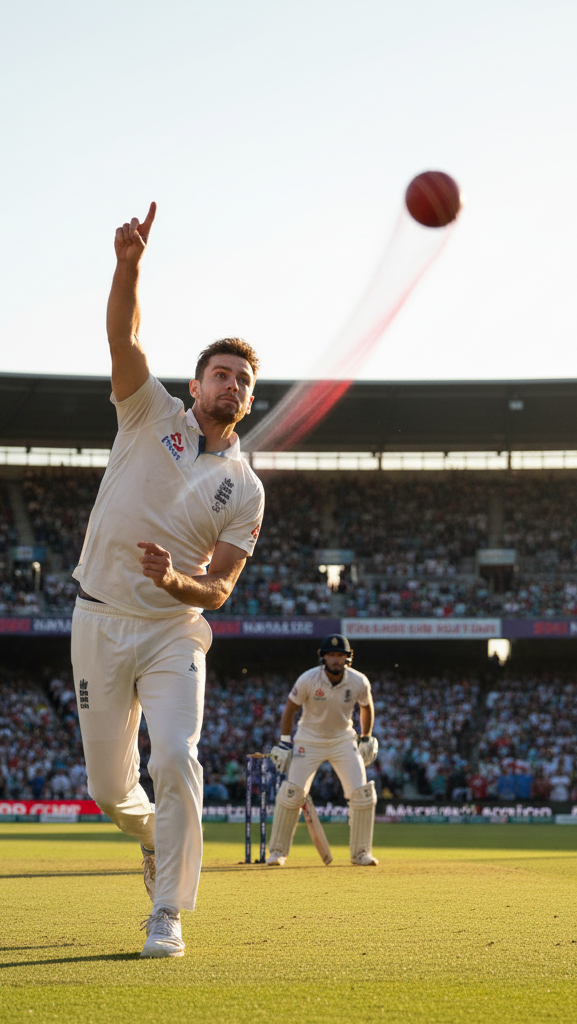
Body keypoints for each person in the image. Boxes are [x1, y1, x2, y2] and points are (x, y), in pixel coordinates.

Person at [70, 202, 265, 958]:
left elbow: (219, 590)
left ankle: (168, 914)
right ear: (196, 382)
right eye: (222, 373)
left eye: (244, 381)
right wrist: (129, 265)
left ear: (249, 400)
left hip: (172, 631)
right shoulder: (147, 410)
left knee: (177, 756)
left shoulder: (245, 489)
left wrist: (179, 582)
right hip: (98, 617)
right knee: (107, 791)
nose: (232, 385)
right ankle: (153, 837)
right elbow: (124, 336)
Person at [265, 634, 380, 867]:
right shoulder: (308, 679)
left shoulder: (359, 681)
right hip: (309, 739)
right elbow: (290, 710)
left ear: (348, 659)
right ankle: (277, 852)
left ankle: (361, 853)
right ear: (323, 657)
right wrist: (285, 742)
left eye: (340, 655)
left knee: (362, 793)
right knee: (292, 794)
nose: (336, 660)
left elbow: (366, 707)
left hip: (343, 740)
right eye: (331, 655)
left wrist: (366, 737)